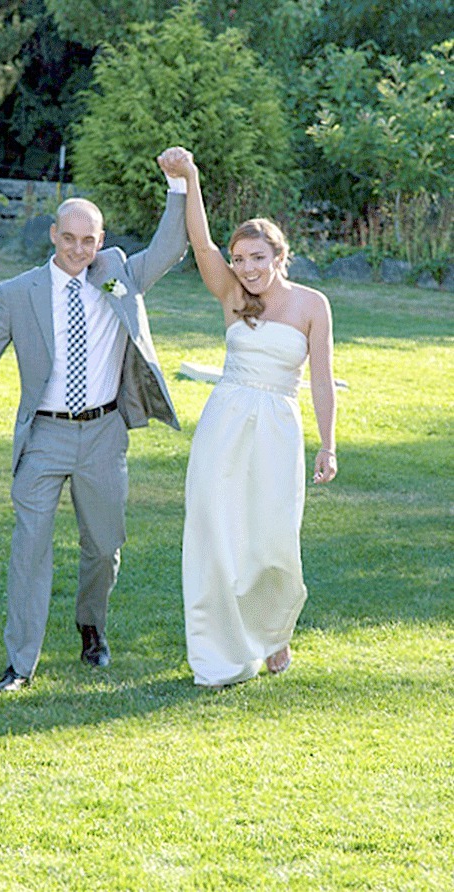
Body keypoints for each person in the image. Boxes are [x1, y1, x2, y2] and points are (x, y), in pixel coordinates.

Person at [0, 156, 188, 692]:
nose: (77, 249)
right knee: (30, 547)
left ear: (100, 241)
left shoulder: (120, 275)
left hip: (103, 434)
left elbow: (170, 247)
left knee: (104, 546)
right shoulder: (16, 294)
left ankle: (91, 626)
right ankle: (20, 664)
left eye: (88, 240)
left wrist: (178, 185)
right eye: (68, 238)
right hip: (44, 437)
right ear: (53, 234)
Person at [157, 146, 337, 688]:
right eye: (240, 259)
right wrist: (189, 178)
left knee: (272, 535)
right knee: (215, 529)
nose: (248, 268)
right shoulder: (232, 294)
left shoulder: (312, 305)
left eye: (258, 258)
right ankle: (219, 652)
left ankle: (273, 631)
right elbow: (200, 241)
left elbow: (323, 380)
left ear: (280, 257)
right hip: (226, 423)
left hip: (278, 428)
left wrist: (328, 445)